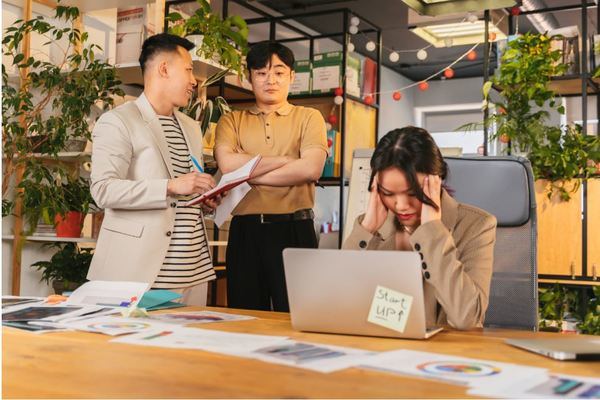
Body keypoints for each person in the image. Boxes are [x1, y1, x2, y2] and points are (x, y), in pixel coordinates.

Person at [88, 33, 221, 306]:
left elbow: (185, 194)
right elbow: (103, 190)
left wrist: (203, 200)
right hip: (142, 273)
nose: (193, 80)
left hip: (193, 273)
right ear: (163, 68)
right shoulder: (118, 122)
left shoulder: (191, 127)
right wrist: (171, 186)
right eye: (188, 70)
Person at [343, 127, 497, 330]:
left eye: (412, 193)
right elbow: (338, 301)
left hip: (443, 355)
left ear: (436, 180)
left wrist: (433, 231)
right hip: (380, 347)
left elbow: (466, 318)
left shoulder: (476, 226)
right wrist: (367, 228)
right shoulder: (370, 227)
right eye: (388, 193)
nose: (400, 205)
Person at [214, 41, 328, 312]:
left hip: (295, 229)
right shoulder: (231, 121)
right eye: (261, 73)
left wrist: (247, 174)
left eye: (278, 72)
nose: (270, 80)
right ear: (248, 78)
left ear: (291, 77)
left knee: (300, 316)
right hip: (245, 233)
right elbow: (228, 165)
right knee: (245, 317)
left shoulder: (310, 117)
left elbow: (311, 169)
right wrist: (287, 162)